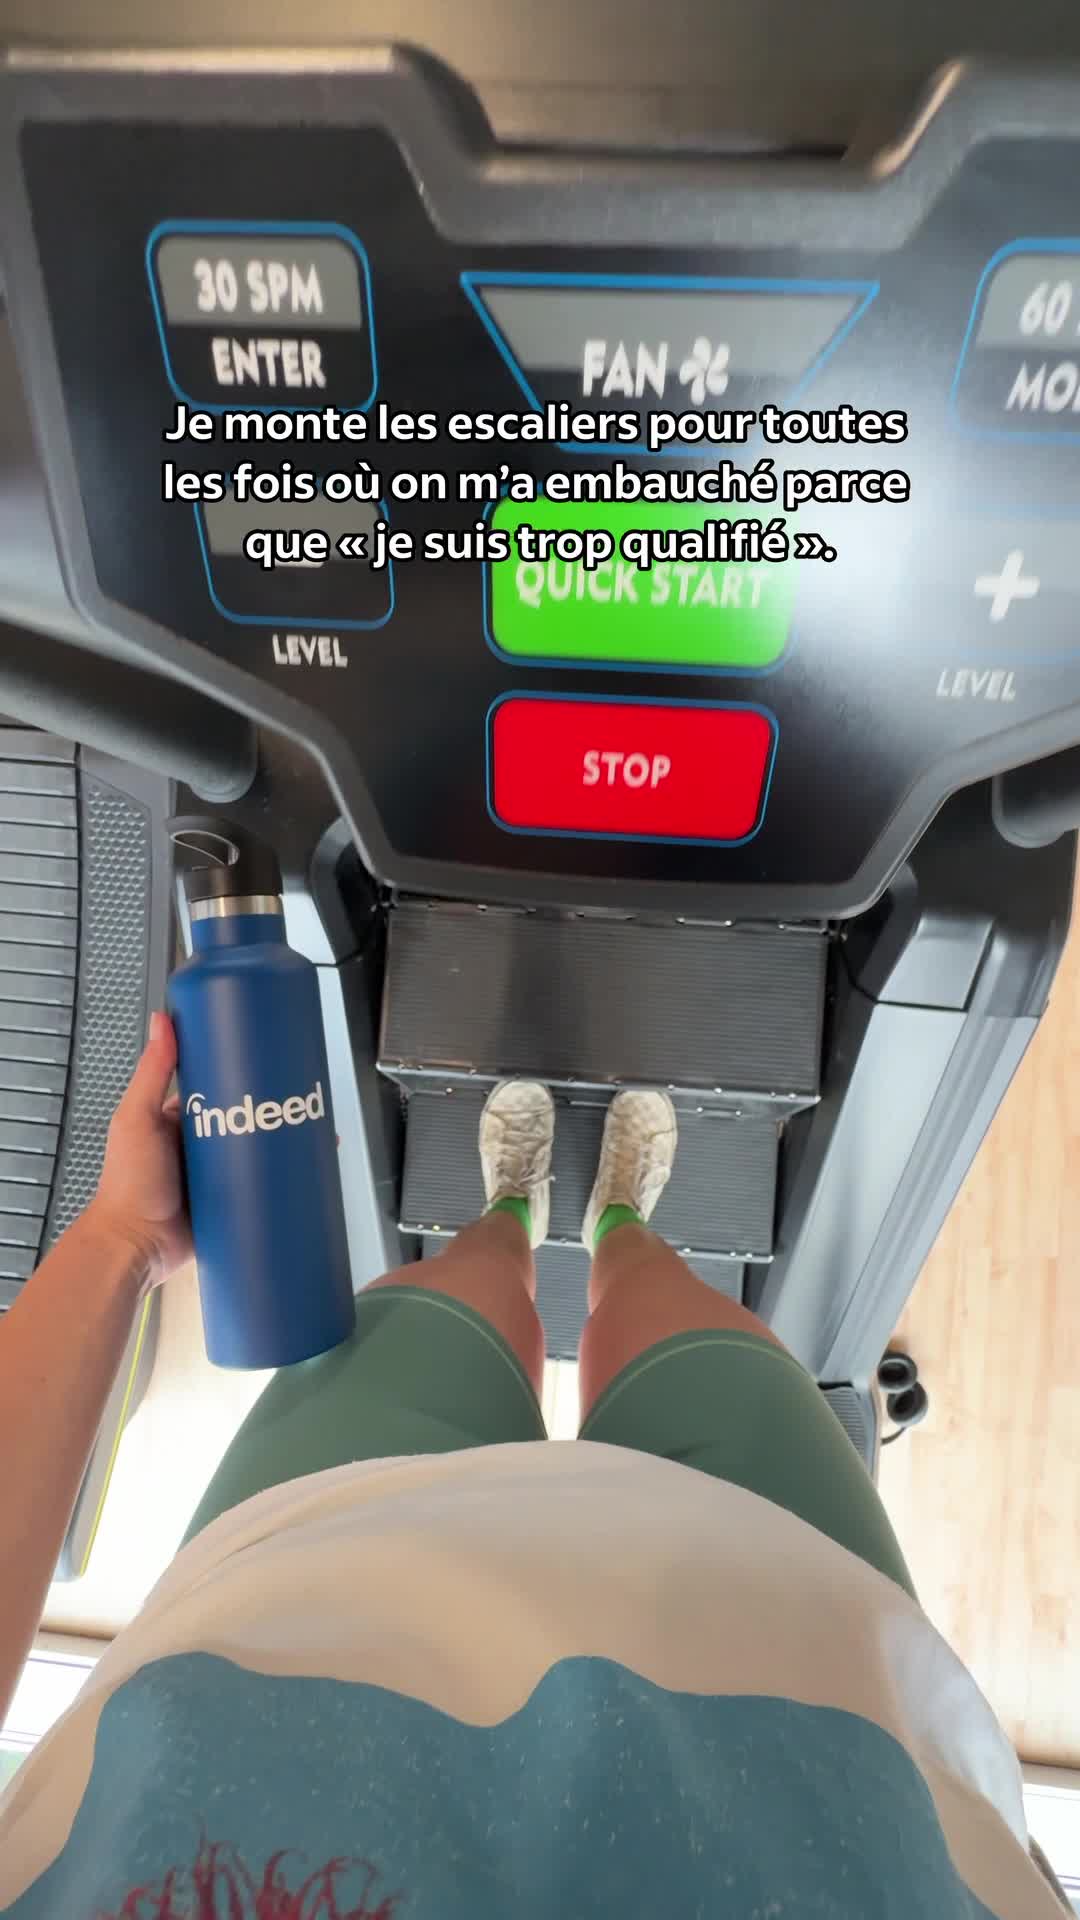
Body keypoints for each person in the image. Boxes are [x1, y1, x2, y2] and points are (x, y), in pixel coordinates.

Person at [0, 1014, 1061, 1918]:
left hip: (303, 1588)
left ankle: (533, 1213)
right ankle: (618, 1222)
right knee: (682, 1327)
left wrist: (122, 1238)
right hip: (805, 1641)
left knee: (465, 1289)